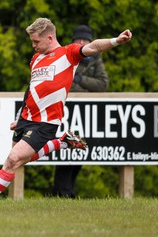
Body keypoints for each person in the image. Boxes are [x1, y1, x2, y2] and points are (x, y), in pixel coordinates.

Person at [0, 18, 132, 212]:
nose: (33, 46)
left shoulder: (68, 54)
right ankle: (62, 142)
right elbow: (31, 89)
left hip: (45, 122)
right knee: (16, 161)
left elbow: (93, 47)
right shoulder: (35, 59)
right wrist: (19, 116)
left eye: (36, 42)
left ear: (50, 37)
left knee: (12, 160)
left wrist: (116, 40)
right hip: (26, 119)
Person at [53, 24, 109, 198]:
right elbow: (62, 83)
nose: (82, 42)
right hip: (63, 113)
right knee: (63, 153)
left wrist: (80, 79)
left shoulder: (95, 60)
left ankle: (68, 192)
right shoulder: (67, 57)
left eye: (85, 39)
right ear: (73, 41)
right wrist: (82, 86)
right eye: (79, 39)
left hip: (84, 117)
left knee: (78, 153)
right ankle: (61, 193)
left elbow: (103, 85)